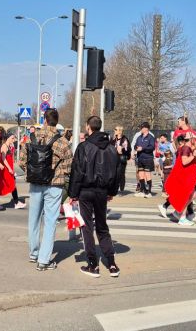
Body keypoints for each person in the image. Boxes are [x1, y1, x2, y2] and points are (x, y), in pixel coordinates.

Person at [20, 108, 73, 271]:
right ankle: (43, 260)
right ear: (57, 121)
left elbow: (22, 161)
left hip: (36, 184)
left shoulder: (32, 137)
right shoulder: (63, 141)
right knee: (50, 222)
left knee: (34, 220)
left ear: (44, 119)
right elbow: (69, 166)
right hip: (54, 186)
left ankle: (34, 253)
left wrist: (33, 172)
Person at [68, 116, 122, 278]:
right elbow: (117, 171)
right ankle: (112, 264)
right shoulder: (111, 148)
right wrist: (112, 191)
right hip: (102, 191)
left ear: (88, 127)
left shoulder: (84, 147)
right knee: (102, 226)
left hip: (86, 190)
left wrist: (73, 194)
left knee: (86, 227)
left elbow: (77, 171)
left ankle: (93, 264)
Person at [161, 135, 196, 226]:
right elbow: (184, 162)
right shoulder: (186, 148)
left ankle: (179, 212)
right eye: (195, 139)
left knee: (192, 195)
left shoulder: (186, 148)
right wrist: (194, 156)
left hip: (187, 175)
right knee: (187, 196)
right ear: (191, 140)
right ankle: (182, 217)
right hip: (184, 176)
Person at [132, 122, 156, 197]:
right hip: (140, 158)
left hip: (148, 158)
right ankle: (142, 190)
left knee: (147, 174)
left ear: (146, 128)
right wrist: (136, 148)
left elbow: (152, 147)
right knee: (141, 174)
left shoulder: (151, 137)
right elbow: (135, 145)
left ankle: (149, 192)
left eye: (141, 127)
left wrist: (142, 148)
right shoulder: (139, 137)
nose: (140, 129)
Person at [111, 126, 131, 194]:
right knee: (114, 173)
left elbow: (128, 149)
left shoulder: (124, 139)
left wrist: (122, 149)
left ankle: (122, 188)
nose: (114, 131)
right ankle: (115, 188)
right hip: (114, 158)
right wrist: (113, 139)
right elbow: (110, 146)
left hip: (121, 158)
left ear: (119, 131)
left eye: (115, 129)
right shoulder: (114, 139)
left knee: (121, 173)